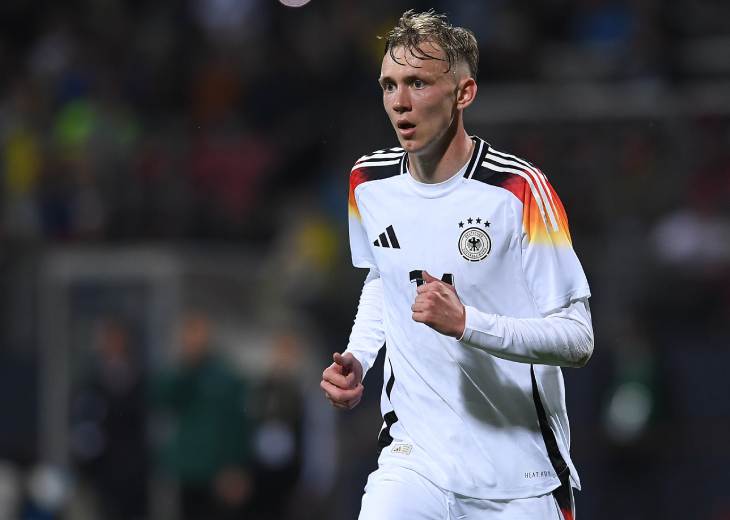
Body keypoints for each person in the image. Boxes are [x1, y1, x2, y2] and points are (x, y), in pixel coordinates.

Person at [320, 10, 594, 520]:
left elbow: (578, 340)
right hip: (414, 460)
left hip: (519, 479)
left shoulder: (519, 191)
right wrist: (360, 355)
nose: (399, 101)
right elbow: (384, 276)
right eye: (389, 85)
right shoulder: (369, 183)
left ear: (463, 93)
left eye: (418, 83)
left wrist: (468, 324)